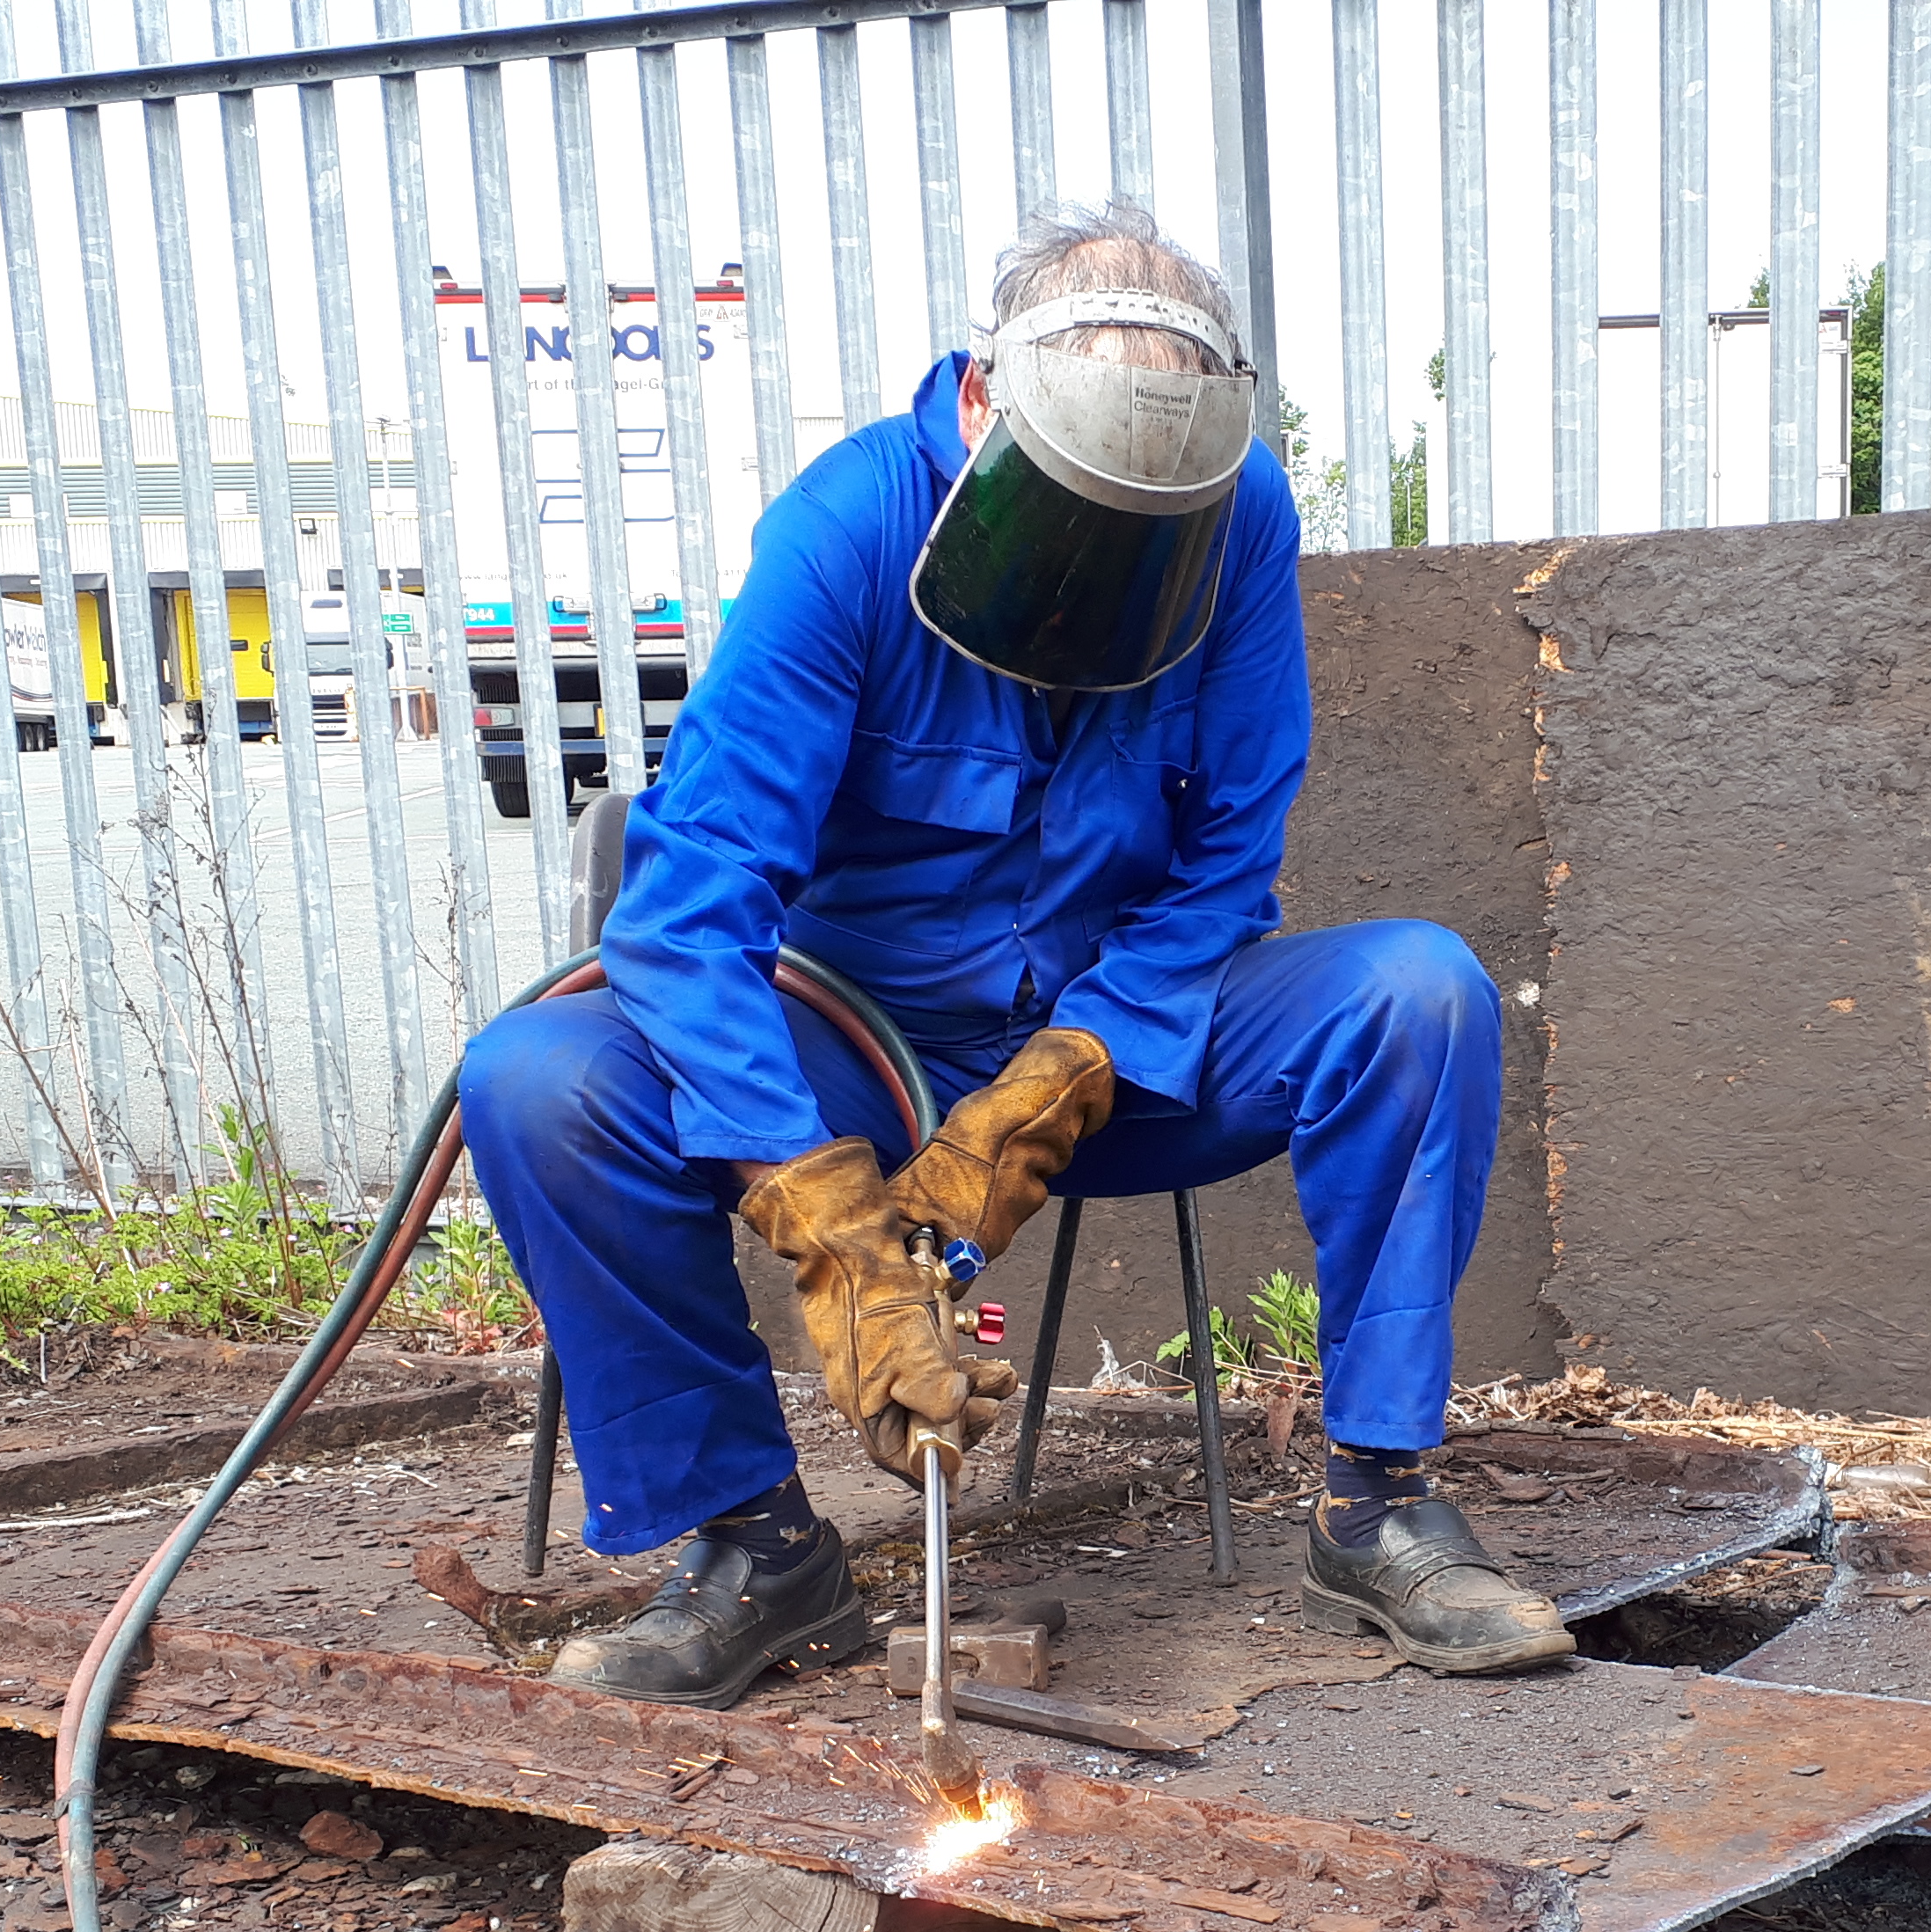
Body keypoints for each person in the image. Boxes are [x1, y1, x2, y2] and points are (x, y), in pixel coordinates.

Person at [458, 204, 1573, 1710]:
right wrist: (833, 1229)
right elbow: (689, 906)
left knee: (1418, 991)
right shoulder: (844, 532)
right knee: (535, 1079)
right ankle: (759, 1551)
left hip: (1125, 1045)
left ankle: (1374, 1509)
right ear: (988, 408)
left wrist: (1053, 1088)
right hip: (853, 1047)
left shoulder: (1238, 512)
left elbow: (1229, 857)